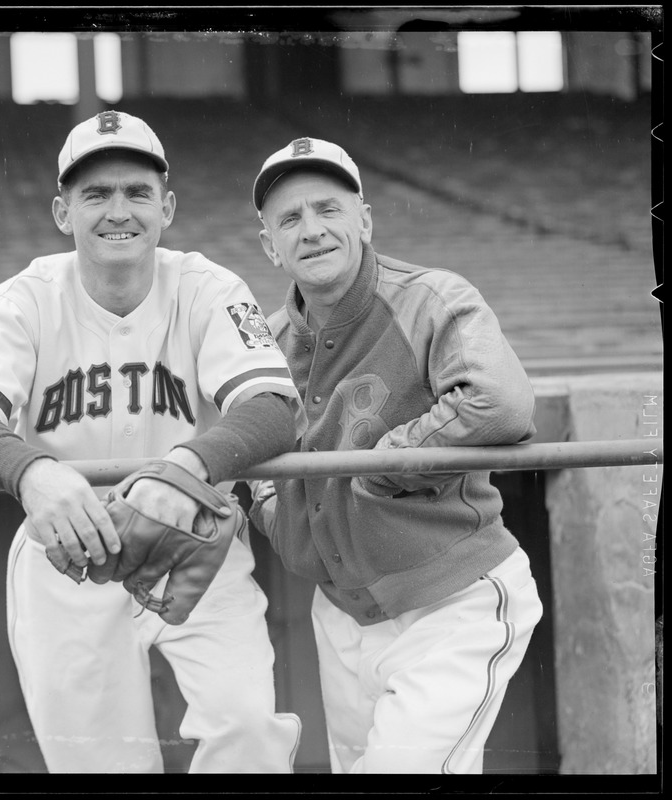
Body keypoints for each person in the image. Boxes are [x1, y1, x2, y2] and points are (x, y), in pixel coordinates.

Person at [0, 110, 306, 774]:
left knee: (248, 731)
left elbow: (272, 404)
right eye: (95, 194)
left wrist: (183, 465)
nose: (117, 210)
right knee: (99, 768)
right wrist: (32, 472)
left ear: (166, 206)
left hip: (191, 539)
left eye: (135, 192)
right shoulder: (21, 300)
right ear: (61, 211)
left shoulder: (207, 287)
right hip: (69, 557)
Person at [246, 136, 544, 774]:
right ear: (270, 245)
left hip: (452, 600)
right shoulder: (263, 342)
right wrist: (278, 516)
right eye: (290, 219)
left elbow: (501, 402)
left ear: (365, 219)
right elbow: (241, 449)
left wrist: (385, 464)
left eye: (329, 209)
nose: (313, 230)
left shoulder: (431, 297)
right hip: (341, 610)